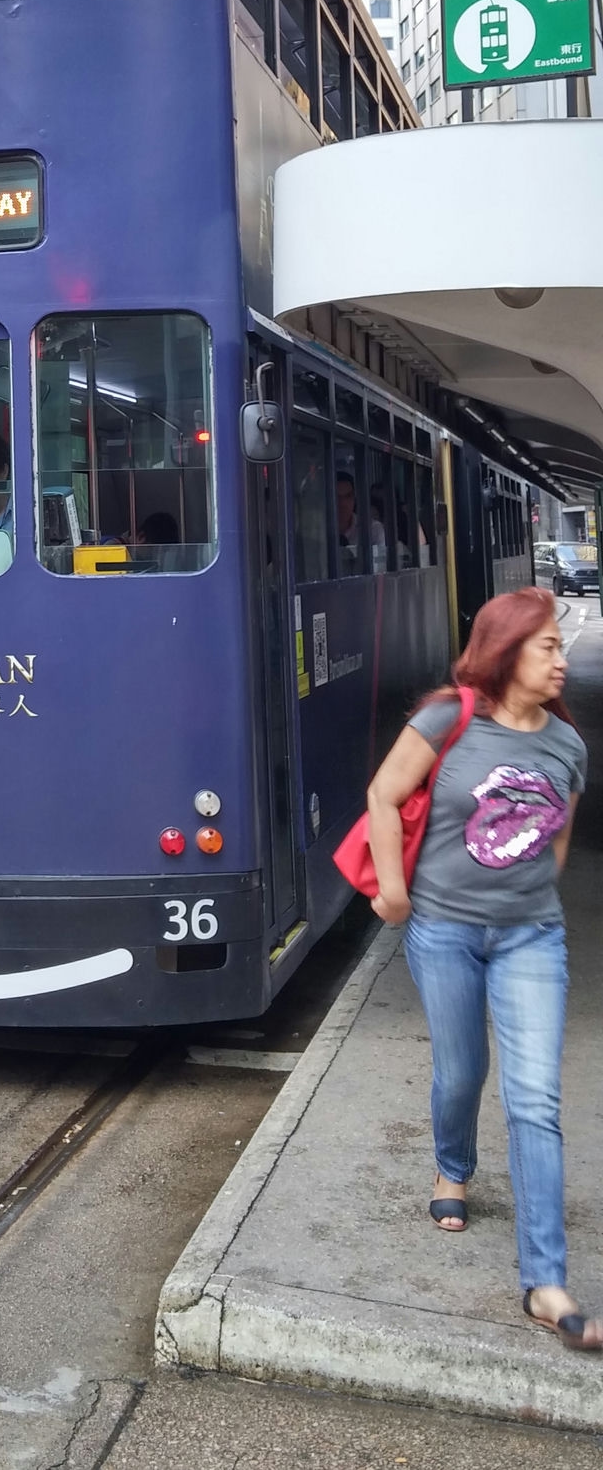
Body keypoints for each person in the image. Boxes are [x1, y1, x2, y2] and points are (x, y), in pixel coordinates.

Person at [366, 587, 598, 1348]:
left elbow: (554, 846)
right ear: (505, 652)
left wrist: (520, 896)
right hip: (443, 928)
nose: (561, 659)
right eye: (547, 647)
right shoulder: (448, 716)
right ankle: (452, 1167)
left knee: (534, 1099)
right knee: (461, 1070)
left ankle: (546, 1280)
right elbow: (384, 793)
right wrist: (396, 891)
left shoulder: (568, 747)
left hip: (531, 935)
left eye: (560, 647)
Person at [336, 470, 387, 574]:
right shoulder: (317, 531)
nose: (342, 503)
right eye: (337, 497)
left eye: (348, 496)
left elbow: (379, 572)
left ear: (354, 498)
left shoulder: (372, 529)